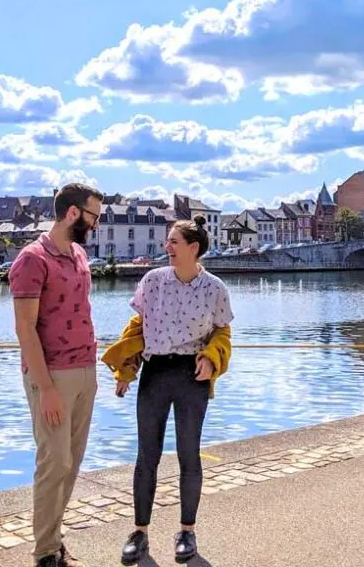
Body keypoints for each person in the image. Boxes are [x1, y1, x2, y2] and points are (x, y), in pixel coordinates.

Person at [101, 215, 233, 565]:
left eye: (174, 241)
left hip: (192, 376)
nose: (167, 247)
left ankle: (186, 531)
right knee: (147, 456)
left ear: (193, 248)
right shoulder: (152, 281)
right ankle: (140, 533)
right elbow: (137, 328)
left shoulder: (215, 289)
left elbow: (223, 333)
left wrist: (211, 358)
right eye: (167, 241)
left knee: (189, 455)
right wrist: (126, 369)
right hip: (156, 373)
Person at [9, 183, 103, 567]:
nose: (97, 223)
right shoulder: (32, 259)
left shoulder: (79, 254)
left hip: (85, 370)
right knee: (54, 462)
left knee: (72, 461)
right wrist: (45, 387)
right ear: (73, 213)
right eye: (94, 215)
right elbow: (25, 329)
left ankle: (53, 537)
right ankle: (46, 552)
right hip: (53, 376)